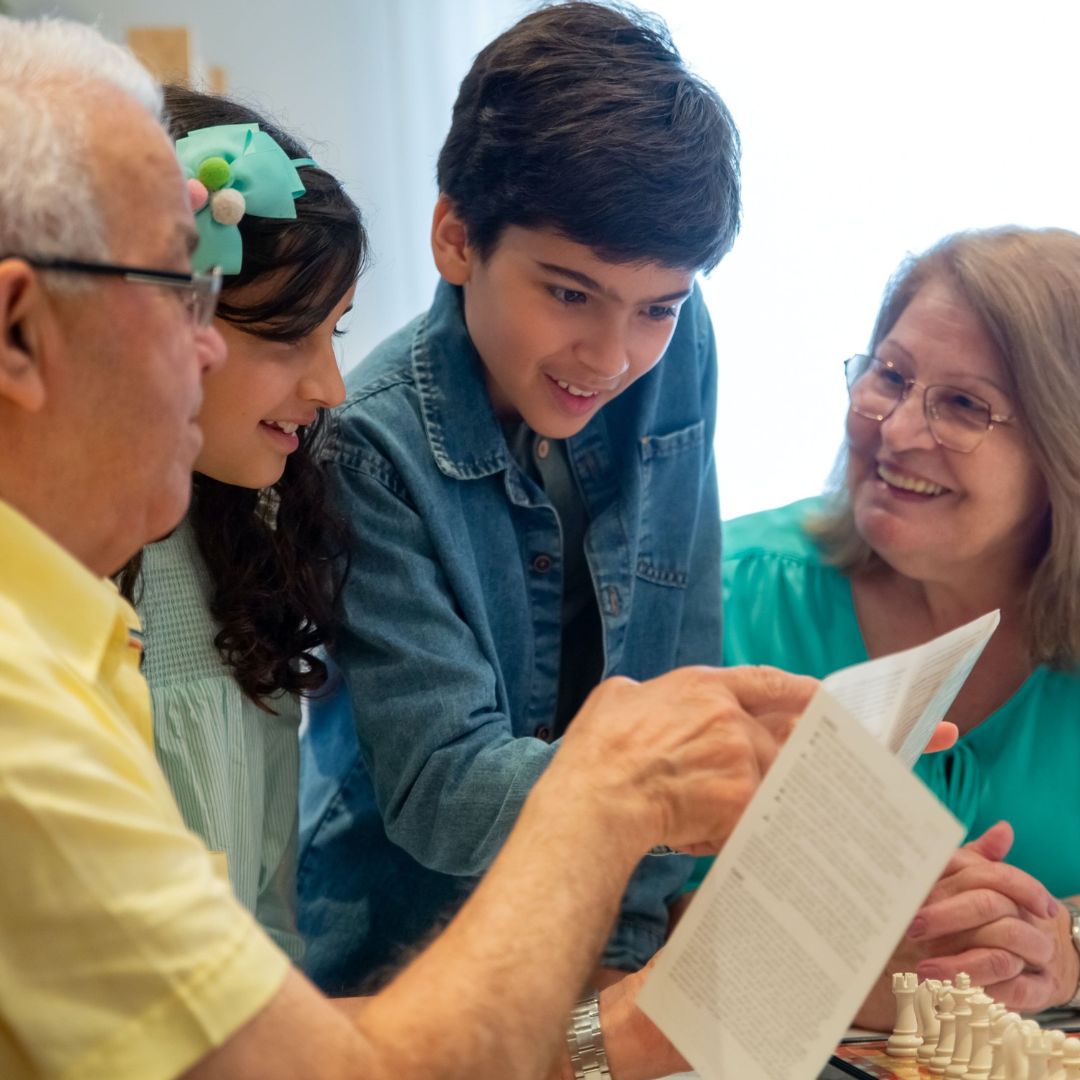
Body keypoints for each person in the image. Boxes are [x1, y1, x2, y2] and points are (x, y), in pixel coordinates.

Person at [0, 15, 820, 1079]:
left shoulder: (77, 634)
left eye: (660, 308)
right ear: (19, 330)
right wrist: (614, 790)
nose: (207, 352)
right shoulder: (27, 724)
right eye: (181, 290)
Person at [298, 0, 740, 993]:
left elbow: (681, 650)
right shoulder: (368, 447)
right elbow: (445, 793)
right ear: (456, 238)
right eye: (569, 293)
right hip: (415, 962)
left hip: (617, 935)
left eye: (657, 308)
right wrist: (675, 781)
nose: (613, 355)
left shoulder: (677, 347)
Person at [688, 226, 1080, 1025]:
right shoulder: (725, 596)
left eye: (964, 405)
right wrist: (858, 977)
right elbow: (617, 924)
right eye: (889, 376)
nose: (896, 430)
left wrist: (1065, 946)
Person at [119, 83, 362, 961]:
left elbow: (263, 913)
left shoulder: (245, 547)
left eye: (337, 332)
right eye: (290, 337)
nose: (331, 387)